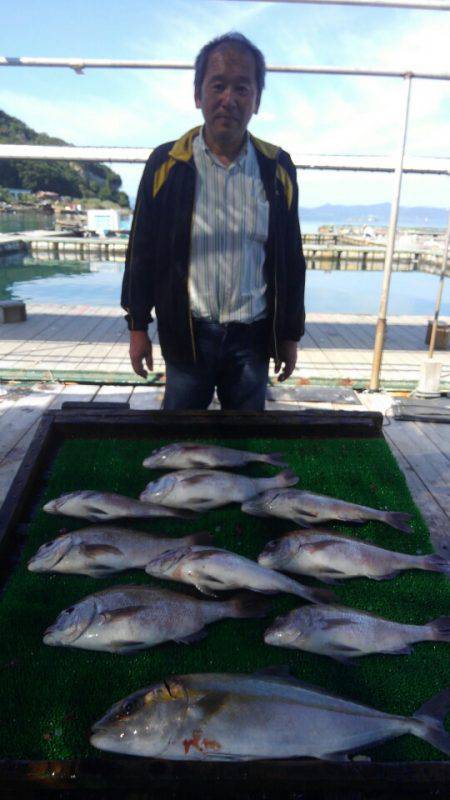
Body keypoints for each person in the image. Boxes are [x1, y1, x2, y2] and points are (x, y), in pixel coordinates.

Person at [121, 32, 306, 410]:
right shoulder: (167, 164)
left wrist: (289, 334)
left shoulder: (276, 168)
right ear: (198, 95)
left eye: (242, 87)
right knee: (180, 443)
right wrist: (138, 327)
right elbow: (141, 251)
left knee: (247, 441)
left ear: (256, 99)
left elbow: (292, 258)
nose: (229, 99)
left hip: (252, 339)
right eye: (218, 85)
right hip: (187, 335)